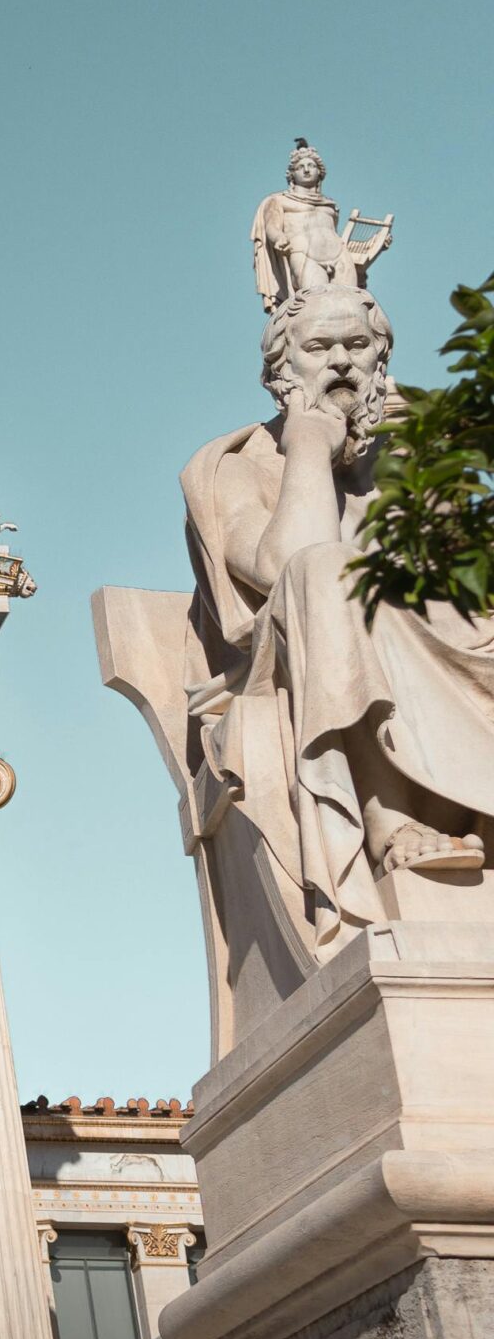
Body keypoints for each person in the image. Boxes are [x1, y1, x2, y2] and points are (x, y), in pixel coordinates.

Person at [184, 282, 493, 952]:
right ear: (280, 370)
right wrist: (310, 448)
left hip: (440, 630)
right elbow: (283, 564)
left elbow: (462, 570)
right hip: (294, 647)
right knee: (325, 572)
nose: (342, 362)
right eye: (319, 346)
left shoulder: (412, 451)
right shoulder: (237, 467)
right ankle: (389, 818)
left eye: (358, 345)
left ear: (381, 358)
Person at [251, 138, 391, 313]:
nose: (307, 169)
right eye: (300, 167)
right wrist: (278, 238)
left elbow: (336, 236)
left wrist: (374, 244)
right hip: (305, 254)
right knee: (315, 306)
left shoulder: (330, 206)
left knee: (352, 306)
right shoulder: (279, 201)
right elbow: (271, 226)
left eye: (311, 165)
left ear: (320, 172)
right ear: (291, 174)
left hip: (339, 254)